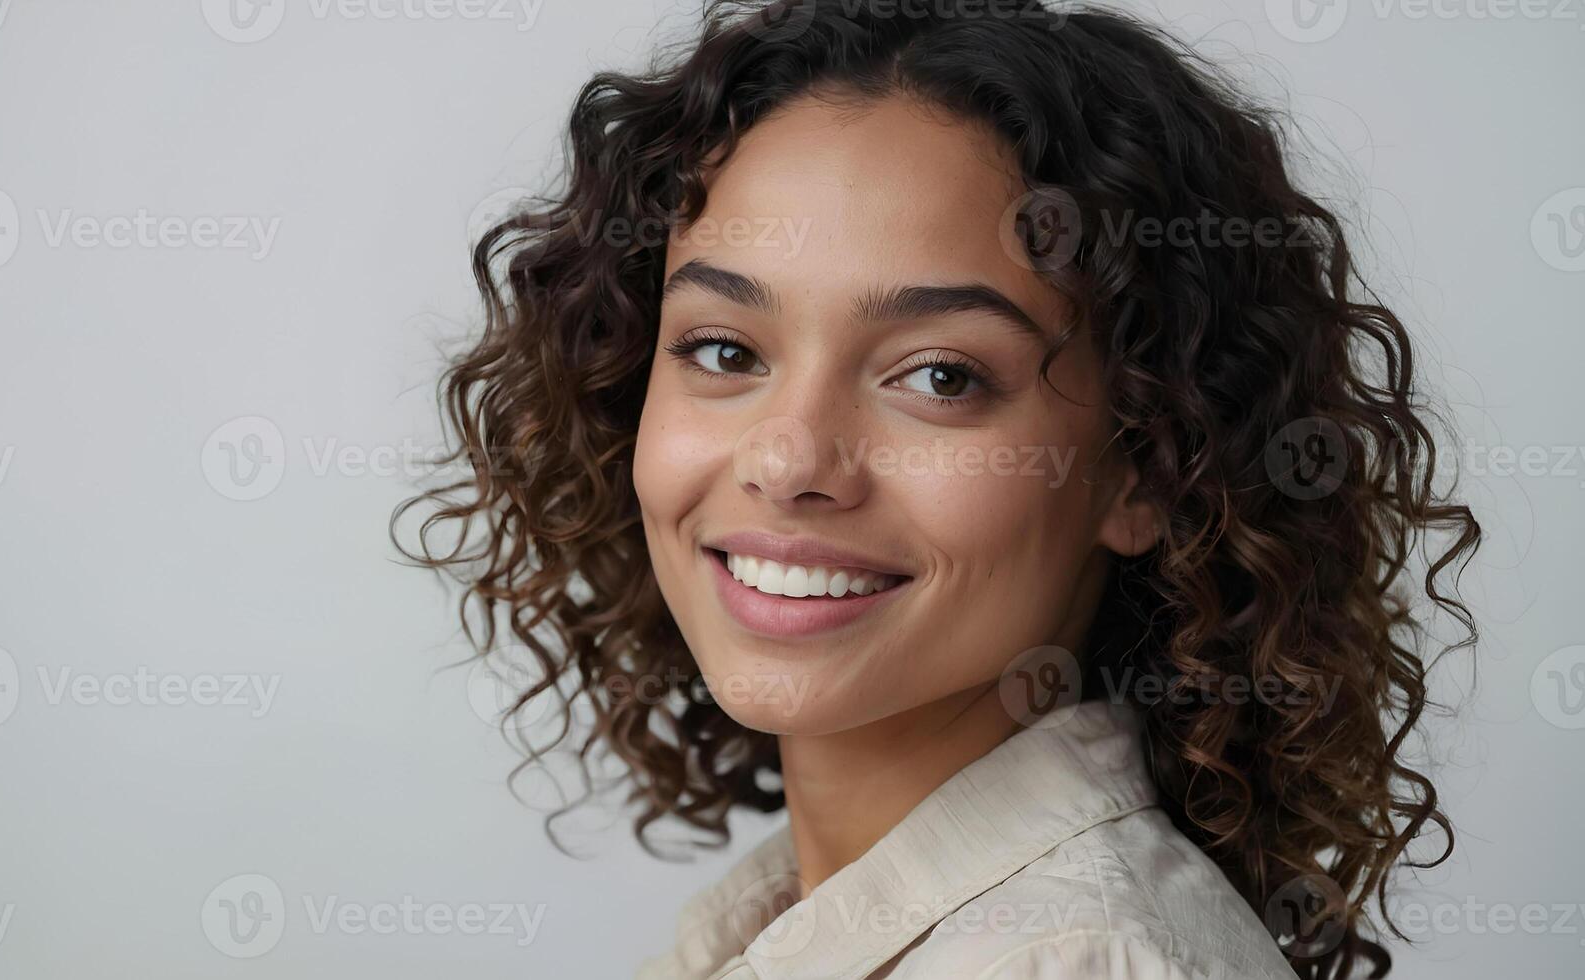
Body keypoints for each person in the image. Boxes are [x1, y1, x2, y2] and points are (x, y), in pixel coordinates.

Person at [397, 2, 1482, 977]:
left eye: (939, 375)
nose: (788, 460)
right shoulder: (793, 924)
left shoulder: (1074, 959)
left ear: (1147, 465)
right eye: (725, 350)